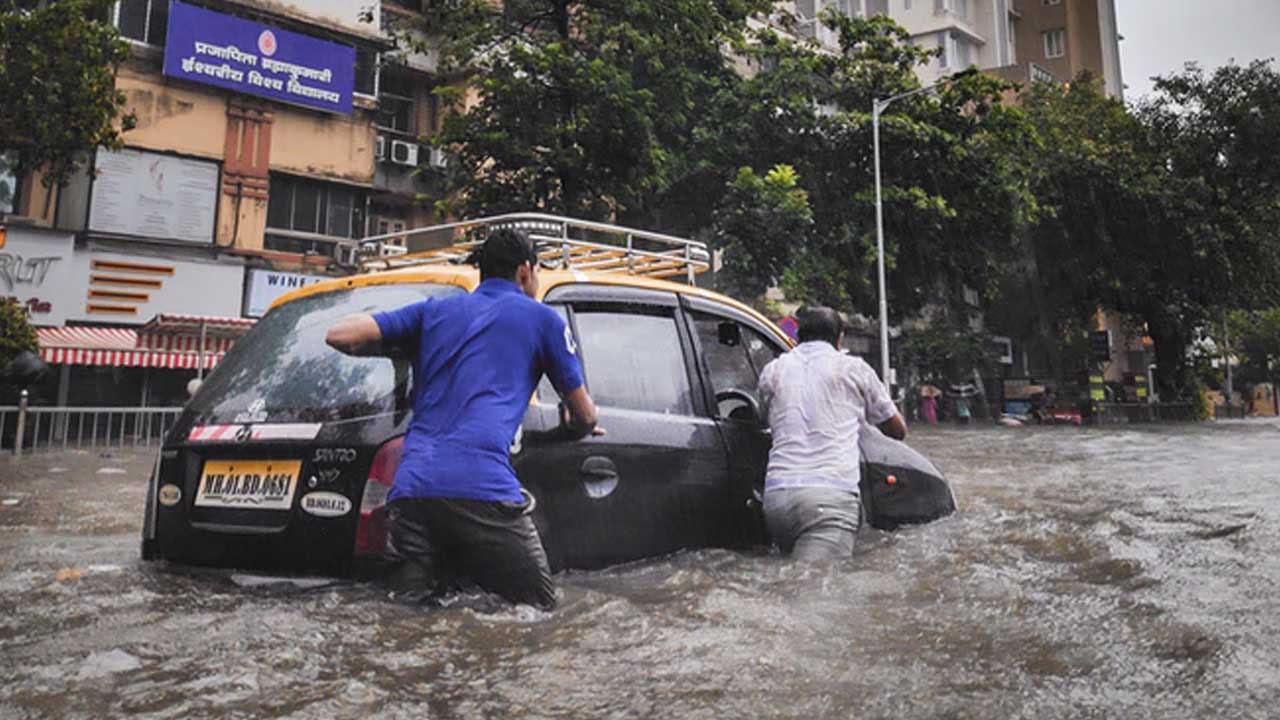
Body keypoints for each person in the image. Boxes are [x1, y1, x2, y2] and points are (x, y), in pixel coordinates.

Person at [325, 228, 599, 609]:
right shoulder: (543, 320)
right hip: (483, 489)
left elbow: (339, 334)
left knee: (408, 617)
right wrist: (576, 424)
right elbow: (585, 413)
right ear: (525, 271)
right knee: (539, 612)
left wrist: (399, 348)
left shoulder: (433, 312)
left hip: (412, 492)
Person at [757, 306, 907, 563]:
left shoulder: (773, 370)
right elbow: (897, 430)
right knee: (815, 583)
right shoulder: (853, 369)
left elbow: (766, 418)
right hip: (829, 500)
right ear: (840, 338)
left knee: (791, 576)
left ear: (799, 336)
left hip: (777, 498)